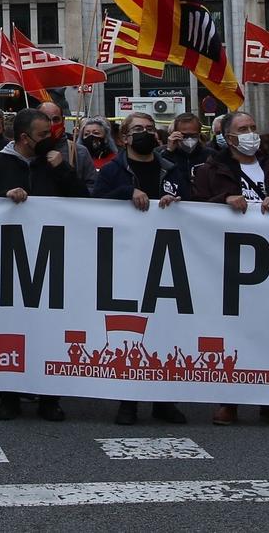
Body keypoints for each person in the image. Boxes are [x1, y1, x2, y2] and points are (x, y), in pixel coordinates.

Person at [191, 110, 269, 427]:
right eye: (243, 128)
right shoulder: (211, 170)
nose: (251, 132)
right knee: (231, 333)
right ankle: (230, 401)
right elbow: (196, 208)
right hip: (227, 263)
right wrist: (224, 198)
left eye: (254, 127)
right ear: (229, 138)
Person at [0, 109, 81, 423]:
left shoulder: (55, 163)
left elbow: (83, 199)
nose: (49, 139)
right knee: (10, 328)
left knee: (50, 328)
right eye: (42, 135)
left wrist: (63, 170)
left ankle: (50, 397)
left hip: (51, 259)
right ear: (24, 138)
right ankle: (9, 396)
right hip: (8, 262)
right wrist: (3, 198)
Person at [90, 112, 187, 426]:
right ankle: (127, 400)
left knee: (167, 329)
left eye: (149, 128)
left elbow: (195, 200)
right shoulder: (112, 172)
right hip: (126, 259)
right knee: (128, 331)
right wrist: (125, 193)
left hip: (167, 260)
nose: (144, 133)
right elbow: (93, 206)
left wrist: (180, 202)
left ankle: (164, 400)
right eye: (137, 129)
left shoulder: (171, 169)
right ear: (124, 138)